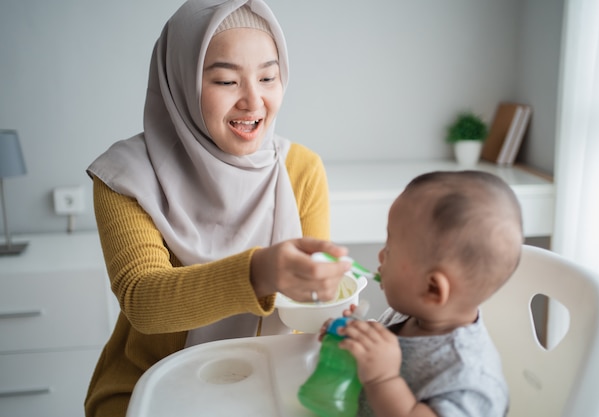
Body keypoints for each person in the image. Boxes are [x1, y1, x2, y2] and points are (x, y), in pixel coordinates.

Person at [84, 1, 352, 416]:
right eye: (227, 81)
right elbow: (143, 301)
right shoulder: (125, 176)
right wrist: (261, 270)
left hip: (271, 379)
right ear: (181, 82)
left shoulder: (301, 169)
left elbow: (312, 306)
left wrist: (328, 292)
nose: (253, 100)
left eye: (268, 77)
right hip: (150, 385)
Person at [333, 170, 524, 417]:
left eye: (390, 249)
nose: (381, 255)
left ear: (433, 288)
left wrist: (383, 379)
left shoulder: (469, 380)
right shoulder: (408, 315)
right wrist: (356, 336)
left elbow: (384, 374)